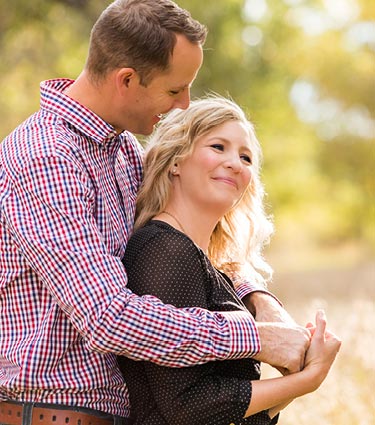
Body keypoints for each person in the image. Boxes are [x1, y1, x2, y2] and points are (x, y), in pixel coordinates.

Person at [0, 1, 310, 424]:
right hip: (55, 412)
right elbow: (108, 317)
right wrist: (255, 339)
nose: (184, 104)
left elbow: (186, 235)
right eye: (173, 89)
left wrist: (258, 298)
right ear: (126, 79)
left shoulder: (123, 151)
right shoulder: (47, 157)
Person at [119, 96, 342, 424]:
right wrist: (304, 381)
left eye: (246, 157)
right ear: (176, 161)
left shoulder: (203, 263)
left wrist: (302, 375)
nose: (235, 163)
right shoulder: (165, 250)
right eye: (218, 146)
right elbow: (186, 407)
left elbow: (232, 412)